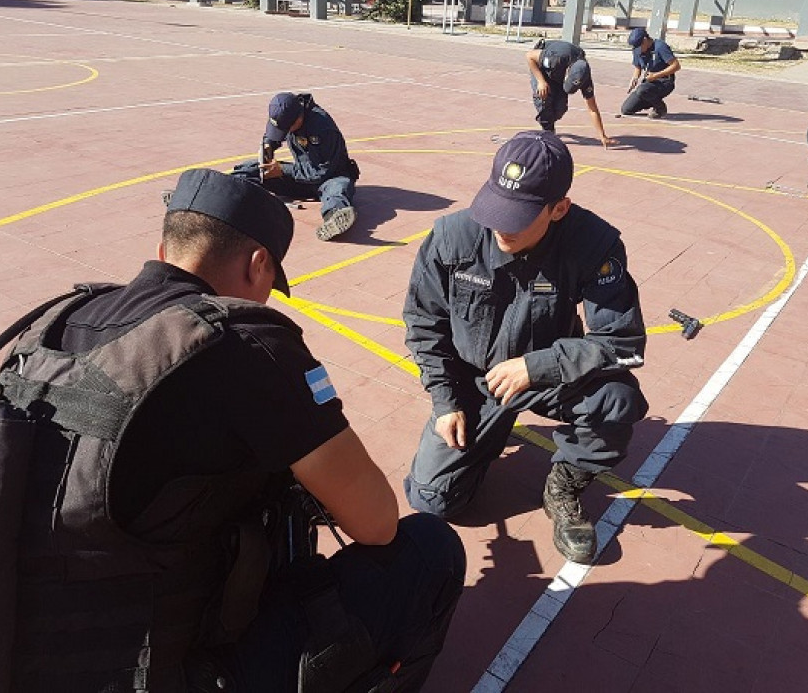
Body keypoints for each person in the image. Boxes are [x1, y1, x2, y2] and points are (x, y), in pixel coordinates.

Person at [0, 168, 464, 692]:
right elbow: (378, 523)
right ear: (258, 265)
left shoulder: (56, 321)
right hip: (151, 667)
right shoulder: (244, 345)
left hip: (12, 648)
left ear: (164, 248)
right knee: (429, 551)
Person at [402, 131, 649, 565]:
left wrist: (539, 366)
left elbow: (621, 342)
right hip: (471, 377)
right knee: (433, 501)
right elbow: (424, 324)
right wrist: (445, 402)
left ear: (559, 209)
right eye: (495, 208)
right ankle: (484, 433)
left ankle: (564, 484)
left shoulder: (594, 245)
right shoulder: (451, 237)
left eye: (517, 217)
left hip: (547, 374)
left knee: (617, 400)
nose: (501, 227)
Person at [235, 92, 361, 241]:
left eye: (286, 129)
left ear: (299, 117)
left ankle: (336, 216)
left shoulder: (322, 128)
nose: (285, 133)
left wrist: (282, 170)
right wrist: (268, 146)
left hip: (329, 177)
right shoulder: (286, 115)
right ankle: (230, 190)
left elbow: (321, 171)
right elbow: (272, 135)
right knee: (252, 168)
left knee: (337, 189)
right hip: (301, 176)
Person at [525, 39, 615, 147]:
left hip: (558, 75)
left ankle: (550, 121)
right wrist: (541, 81)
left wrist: (602, 136)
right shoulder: (555, 58)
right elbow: (529, 56)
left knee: (560, 108)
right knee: (544, 100)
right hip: (542, 68)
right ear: (568, 71)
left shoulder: (585, 76)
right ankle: (548, 132)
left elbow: (592, 108)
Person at [621, 28, 680, 119]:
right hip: (648, 83)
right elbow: (638, 66)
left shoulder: (660, 46)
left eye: (639, 47)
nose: (638, 50)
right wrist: (635, 77)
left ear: (645, 40)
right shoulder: (637, 50)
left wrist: (656, 75)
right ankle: (649, 100)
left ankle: (660, 108)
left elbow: (676, 66)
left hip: (664, 82)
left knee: (642, 90)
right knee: (626, 109)